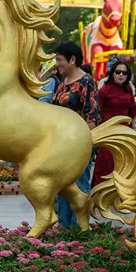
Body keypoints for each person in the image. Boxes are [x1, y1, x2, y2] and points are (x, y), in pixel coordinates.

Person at [50, 42, 100, 228]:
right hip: (61, 145)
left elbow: (92, 115)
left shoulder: (86, 82)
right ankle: (64, 228)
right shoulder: (62, 83)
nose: (57, 63)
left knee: (80, 186)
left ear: (72, 60)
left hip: (79, 145)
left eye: (59, 59)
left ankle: (80, 229)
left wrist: (86, 147)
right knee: (63, 187)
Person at [92, 59, 136, 187]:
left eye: (124, 73)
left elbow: (133, 110)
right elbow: (96, 111)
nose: (121, 75)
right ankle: (99, 191)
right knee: (105, 162)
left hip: (124, 133)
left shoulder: (128, 90)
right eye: (118, 72)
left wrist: (132, 127)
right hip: (108, 132)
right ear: (113, 73)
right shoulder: (105, 90)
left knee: (123, 162)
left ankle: (119, 192)